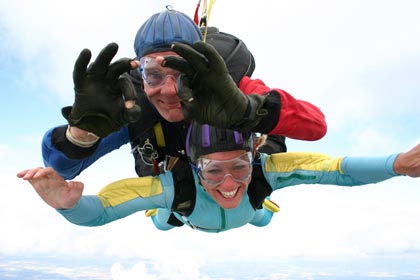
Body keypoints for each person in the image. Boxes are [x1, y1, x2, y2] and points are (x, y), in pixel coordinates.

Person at [42, 7, 327, 181]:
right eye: (153, 73)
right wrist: (81, 133)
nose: (168, 90)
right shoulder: (133, 107)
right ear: (139, 74)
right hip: (178, 191)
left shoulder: (228, 86)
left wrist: (249, 111)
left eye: (181, 72)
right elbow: (62, 170)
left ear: (198, 68)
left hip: (236, 180)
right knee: (167, 217)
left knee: (257, 209)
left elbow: (316, 126)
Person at [18, 121, 420, 233]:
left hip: (252, 209)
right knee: (163, 222)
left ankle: (263, 209)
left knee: (261, 215)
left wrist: (396, 164)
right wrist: (68, 206)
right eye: (213, 170)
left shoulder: (267, 171)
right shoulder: (174, 186)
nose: (228, 182)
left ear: (254, 158)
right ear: (195, 167)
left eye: (240, 167)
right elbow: (102, 210)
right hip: (185, 212)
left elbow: (337, 171)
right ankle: (171, 217)